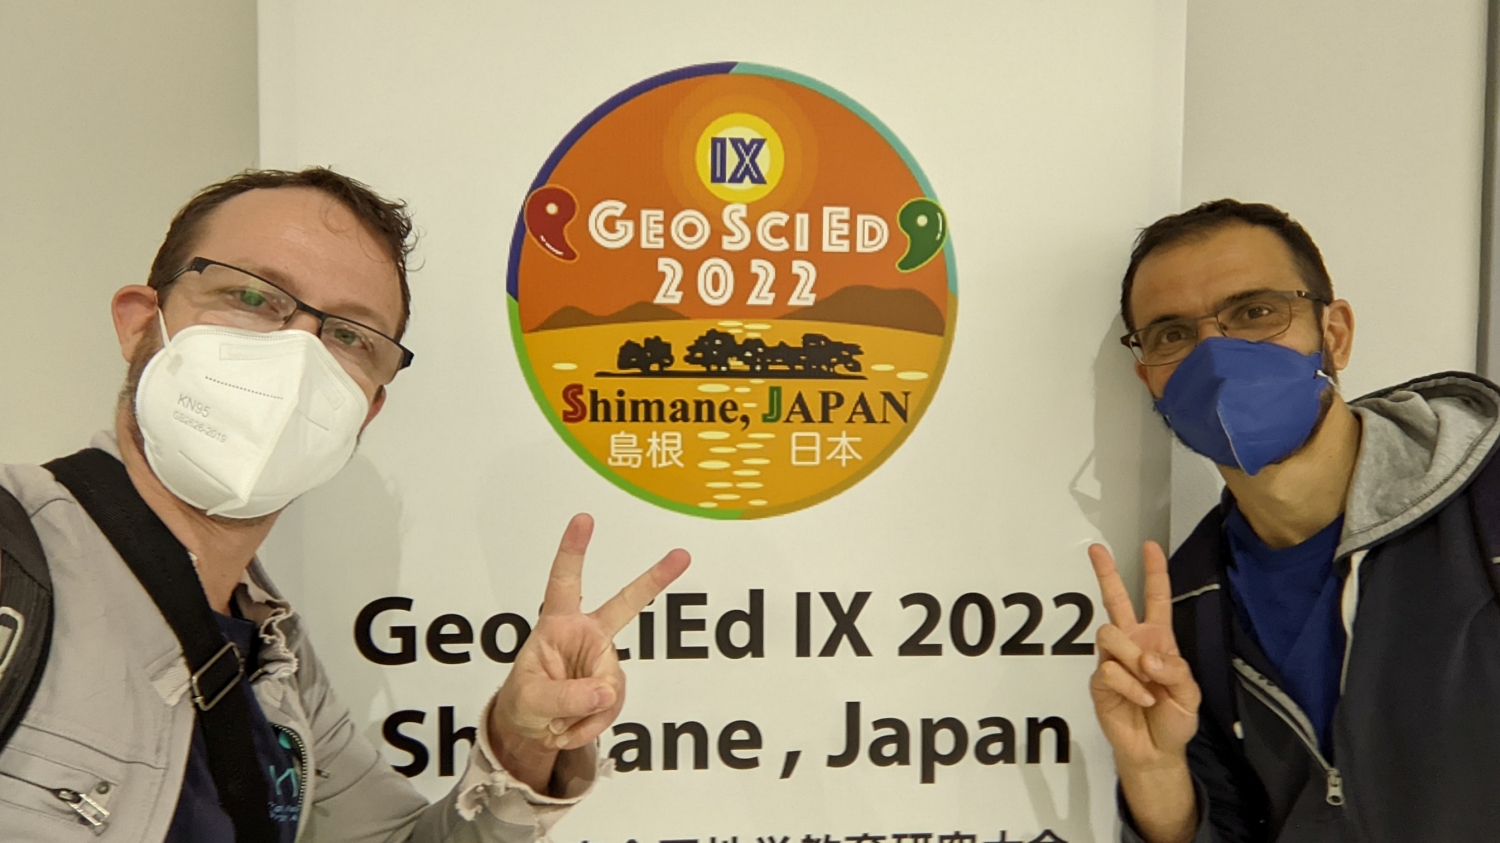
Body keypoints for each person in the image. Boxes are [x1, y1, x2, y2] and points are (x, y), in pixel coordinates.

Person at [0, 167, 690, 841]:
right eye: (251, 296)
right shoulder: (15, 555)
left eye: (350, 336)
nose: (298, 354)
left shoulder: (273, 659)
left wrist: (519, 741)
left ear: (369, 406)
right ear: (140, 322)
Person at [1085, 199, 1500, 842]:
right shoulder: (1188, 605)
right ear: (1149, 381)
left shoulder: (1486, 503)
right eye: (1173, 334)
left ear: (1334, 333)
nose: (1216, 358)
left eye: (1254, 313)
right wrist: (1156, 770)